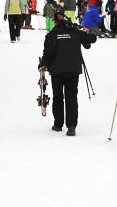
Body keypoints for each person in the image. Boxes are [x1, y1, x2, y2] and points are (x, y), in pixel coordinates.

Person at [38, 8, 97, 136]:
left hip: (57, 71)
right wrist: (87, 31)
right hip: (73, 70)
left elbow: (47, 53)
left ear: (55, 21)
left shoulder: (52, 34)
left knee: (58, 97)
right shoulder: (75, 31)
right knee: (71, 98)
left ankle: (58, 124)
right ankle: (71, 127)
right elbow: (92, 39)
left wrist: (42, 64)